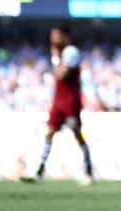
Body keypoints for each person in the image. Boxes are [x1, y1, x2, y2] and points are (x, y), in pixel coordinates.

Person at [30, 26, 95, 185]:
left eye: (57, 36)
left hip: (70, 102)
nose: (54, 40)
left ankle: (89, 171)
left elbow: (62, 74)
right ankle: (40, 171)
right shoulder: (60, 54)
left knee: (77, 133)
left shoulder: (70, 52)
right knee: (49, 133)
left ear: (65, 37)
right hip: (58, 101)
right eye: (52, 36)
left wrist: (55, 58)